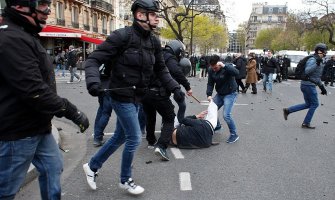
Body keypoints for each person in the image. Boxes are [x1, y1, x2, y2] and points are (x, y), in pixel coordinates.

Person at [83, 0, 183, 195]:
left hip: (138, 97)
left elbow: (161, 69)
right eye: (153, 14)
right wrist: (93, 83)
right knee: (135, 138)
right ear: (140, 15)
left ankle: (92, 166)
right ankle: (125, 179)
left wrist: (175, 87)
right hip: (120, 96)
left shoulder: (153, 41)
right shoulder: (122, 36)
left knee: (120, 136)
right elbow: (93, 60)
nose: (157, 17)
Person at [0, 0, 89, 199]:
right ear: (21, 7)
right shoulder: (11, 38)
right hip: (18, 131)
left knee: (53, 169)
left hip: (38, 126)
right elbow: (34, 90)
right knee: (5, 190)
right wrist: (71, 111)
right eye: (43, 6)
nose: (48, 12)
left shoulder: (24, 35)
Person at [142, 39, 191, 161]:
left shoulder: (156, 54)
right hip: (159, 92)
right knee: (170, 117)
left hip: (146, 92)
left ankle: (151, 140)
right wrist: (186, 86)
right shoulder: (169, 58)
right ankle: (161, 146)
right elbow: (176, 71)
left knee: (150, 116)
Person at [283, 43, 328, 129]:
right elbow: (307, 71)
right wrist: (316, 64)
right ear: (319, 51)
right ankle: (306, 123)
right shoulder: (313, 60)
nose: (325, 53)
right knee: (315, 104)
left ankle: (288, 110)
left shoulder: (317, 60)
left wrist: (322, 87)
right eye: (324, 51)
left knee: (308, 104)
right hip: (309, 85)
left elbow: (316, 77)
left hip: (307, 84)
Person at [207, 54, 240, 143]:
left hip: (230, 93)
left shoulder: (227, 67)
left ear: (220, 64)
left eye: (216, 68)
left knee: (226, 115)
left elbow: (236, 73)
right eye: (212, 68)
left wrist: (224, 66)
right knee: (212, 109)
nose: (214, 69)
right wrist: (209, 95)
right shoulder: (211, 70)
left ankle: (234, 134)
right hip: (220, 93)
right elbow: (210, 83)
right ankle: (217, 126)